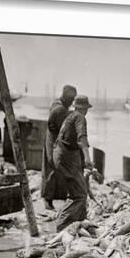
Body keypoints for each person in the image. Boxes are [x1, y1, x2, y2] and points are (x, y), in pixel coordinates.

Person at [53, 94, 94, 232]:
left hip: (62, 156)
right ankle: (62, 226)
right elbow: (82, 137)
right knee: (80, 194)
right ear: (84, 108)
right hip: (66, 158)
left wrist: (82, 162)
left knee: (77, 190)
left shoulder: (70, 116)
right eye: (86, 108)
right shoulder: (80, 117)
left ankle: (80, 221)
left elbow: (73, 139)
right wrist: (88, 158)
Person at [41, 85, 77, 210]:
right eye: (71, 99)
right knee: (53, 168)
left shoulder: (57, 104)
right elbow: (65, 128)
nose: (72, 102)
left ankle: (55, 197)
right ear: (66, 98)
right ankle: (48, 200)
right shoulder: (60, 110)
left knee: (55, 168)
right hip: (53, 142)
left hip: (52, 139)